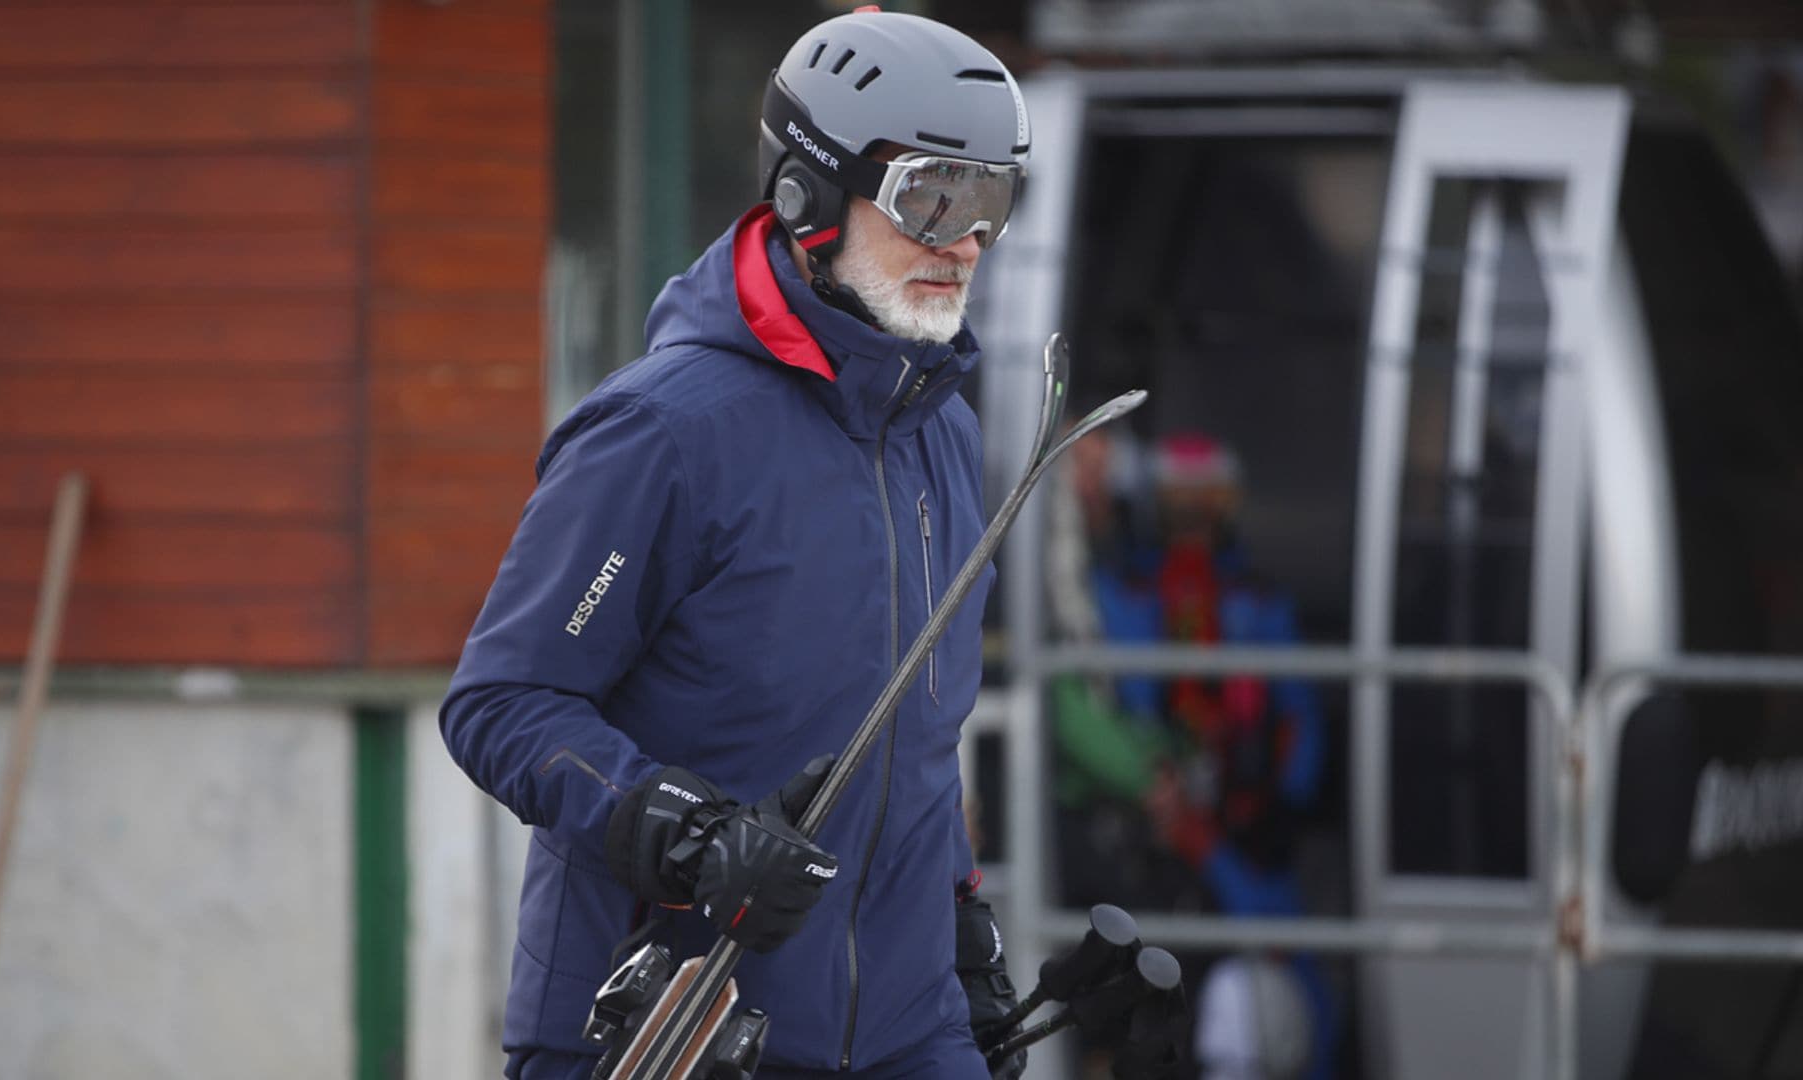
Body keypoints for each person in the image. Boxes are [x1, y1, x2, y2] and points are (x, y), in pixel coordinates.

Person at [441, 10, 1036, 1079]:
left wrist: (958, 934)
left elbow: (918, 738)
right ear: (810, 195)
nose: (967, 239)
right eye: (932, 197)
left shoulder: (938, 426)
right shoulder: (665, 432)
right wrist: (680, 828)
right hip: (674, 1031)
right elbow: (502, 703)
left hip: (903, 1036)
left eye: (994, 198)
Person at [1047, 431, 1340, 1079]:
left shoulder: (1256, 602)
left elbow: (1296, 712)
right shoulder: (1124, 590)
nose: (1192, 516)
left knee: (1286, 962)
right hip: (1166, 816)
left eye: (1205, 499)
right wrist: (1160, 775)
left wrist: (1282, 801)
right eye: (1178, 500)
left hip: (1242, 819)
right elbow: (1116, 690)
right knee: (1181, 970)